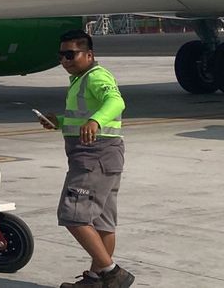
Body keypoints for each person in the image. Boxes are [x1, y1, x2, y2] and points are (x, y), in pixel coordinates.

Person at [39, 31, 134, 288]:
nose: (64, 60)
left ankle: (112, 273)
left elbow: (115, 101)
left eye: (70, 54)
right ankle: (95, 280)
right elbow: (82, 115)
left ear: (89, 55)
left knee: (73, 214)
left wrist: (95, 121)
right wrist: (58, 121)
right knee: (103, 223)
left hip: (94, 156)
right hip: (104, 157)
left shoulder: (96, 76)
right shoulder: (80, 79)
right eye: (61, 55)